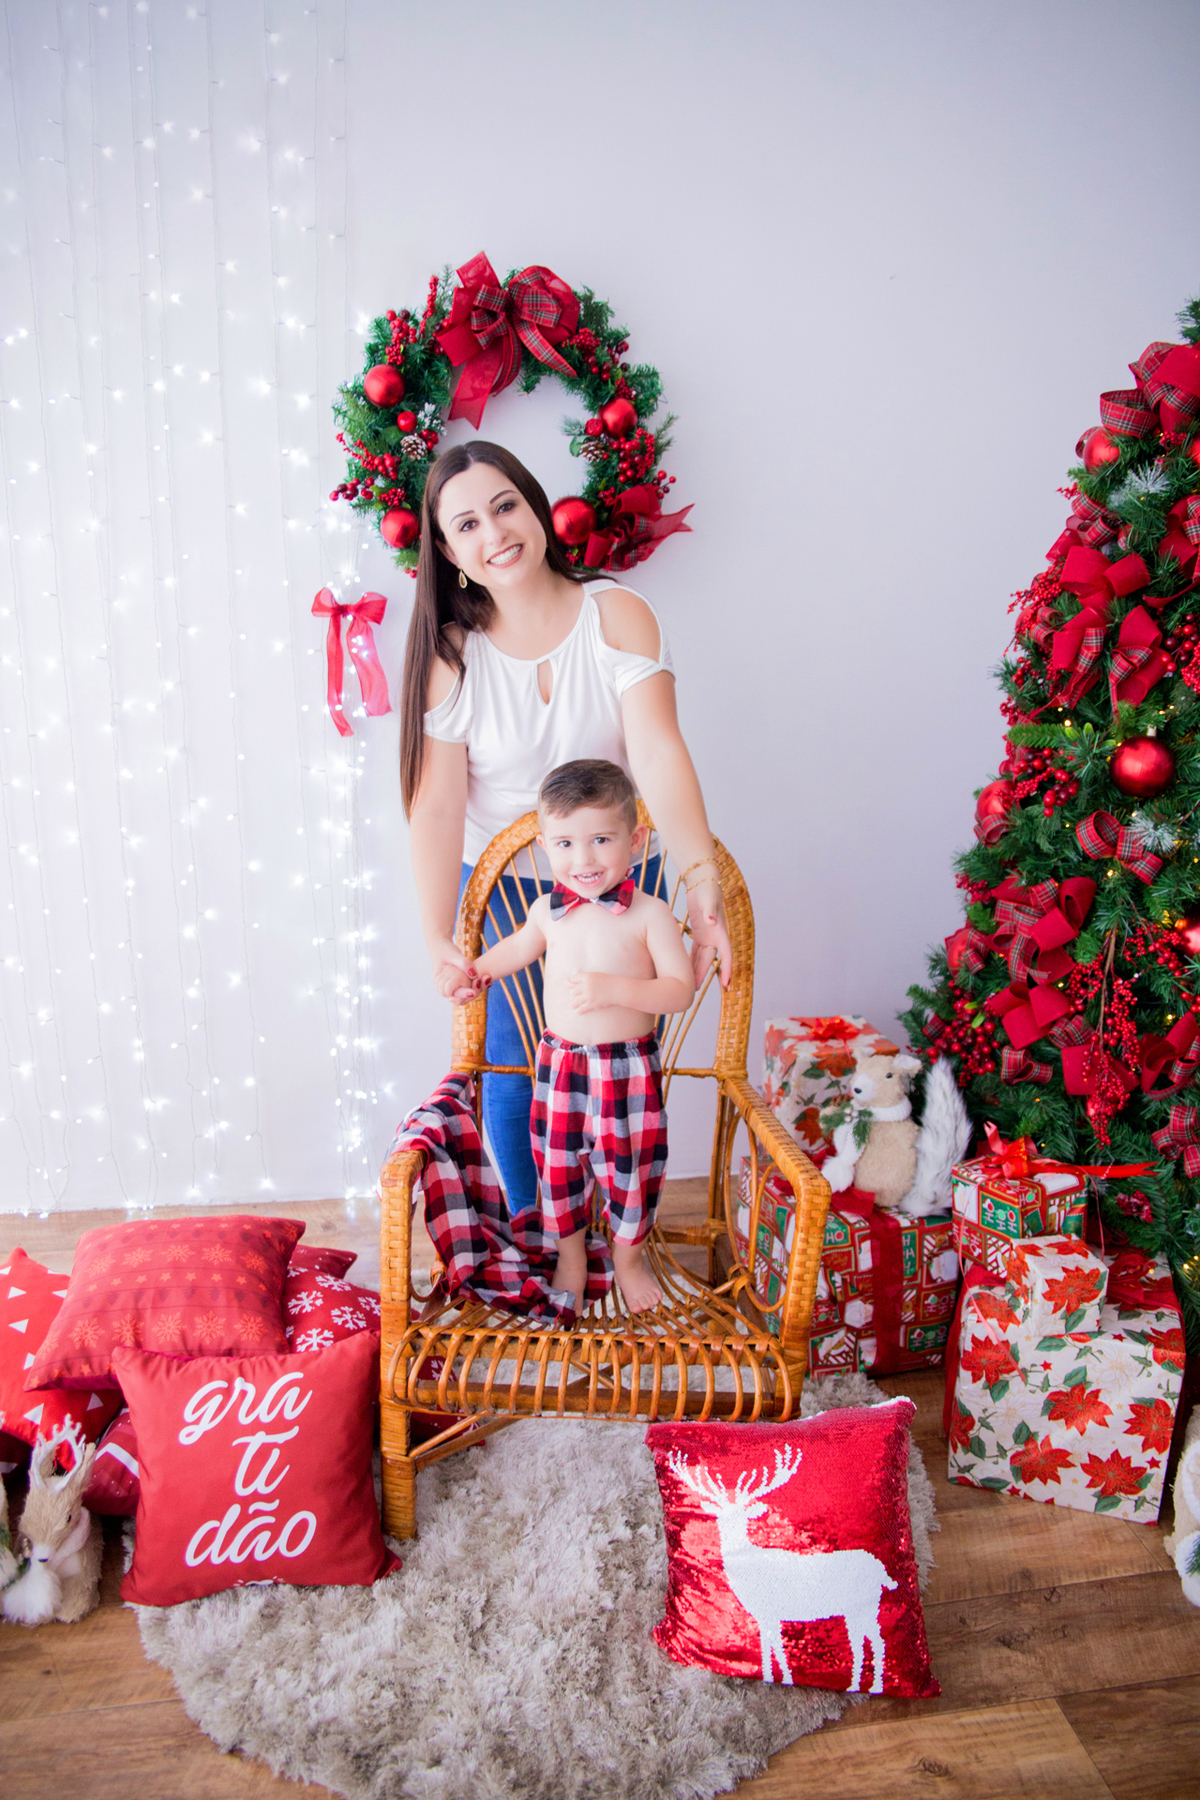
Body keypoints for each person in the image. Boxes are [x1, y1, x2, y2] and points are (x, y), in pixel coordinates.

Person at [400, 439, 730, 1214]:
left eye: (505, 506)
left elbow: (658, 751)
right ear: (449, 553)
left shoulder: (617, 614)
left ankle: (621, 1235)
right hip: (508, 890)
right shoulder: (454, 654)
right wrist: (437, 934)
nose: (495, 533)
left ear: (536, 507)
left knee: (621, 1066)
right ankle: (537, 1231)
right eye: (468, 524)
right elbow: (438, 805)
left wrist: (702, 889)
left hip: (621, 879)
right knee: (518, 1069)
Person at [460, 760, 694, 1315]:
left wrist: (616, 989)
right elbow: (516, 949)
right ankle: (570, 1255)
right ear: (544, 847)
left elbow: (679, 990)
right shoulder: (547, 911)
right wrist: (477, 973)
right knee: (559, 1169)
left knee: (630, 1173)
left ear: (635, 840)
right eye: (565, 843)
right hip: (561, 1067)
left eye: (601, 840)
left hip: (627, 1071)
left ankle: (628, 1261)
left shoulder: (650, 914)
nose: (583, 859)